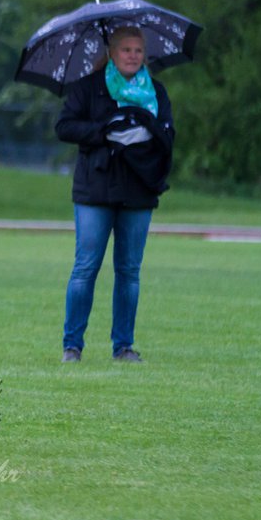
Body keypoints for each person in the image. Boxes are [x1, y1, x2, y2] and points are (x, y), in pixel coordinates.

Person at [55, 26, 175, 363]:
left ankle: (123, 346)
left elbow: (169, 133)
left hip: (139, 189)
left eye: (139, 50)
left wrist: (145, 133)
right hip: (95, 189)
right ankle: (72, 346)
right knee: (85, 268)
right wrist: (106, 131)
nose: (133, 56)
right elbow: (64, 127)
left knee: (129, 271)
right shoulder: (89, 88)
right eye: (126, 49)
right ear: (112, 52)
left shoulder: (157, 92)